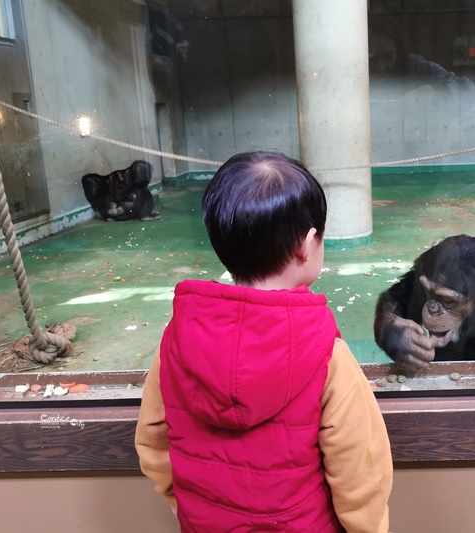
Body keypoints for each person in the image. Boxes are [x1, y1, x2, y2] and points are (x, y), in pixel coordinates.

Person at [135, 151, 393, 532]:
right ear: (307, 245)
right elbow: (360, 470)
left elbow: (153, 439)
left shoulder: (176, 341)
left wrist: (182, 505)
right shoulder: (326, 354)